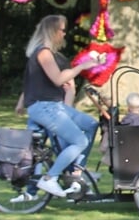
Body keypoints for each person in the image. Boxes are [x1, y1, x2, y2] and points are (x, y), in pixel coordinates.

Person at [15, 15, 97, 198]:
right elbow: (58, 79)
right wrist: (82, 66)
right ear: (53, 31)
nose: (64, 33)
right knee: (79, 141)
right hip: (46, 108)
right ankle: (50, 178)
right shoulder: (43, 53)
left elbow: (32, 83)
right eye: (62, 30)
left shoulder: (47, 54)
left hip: (53, 106)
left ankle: (76, 172)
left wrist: (21, 103)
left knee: (91, 124)